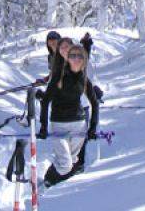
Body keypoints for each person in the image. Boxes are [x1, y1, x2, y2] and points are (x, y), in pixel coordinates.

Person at [37, 44, 99, 187]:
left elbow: (94, 103)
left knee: (72, 159)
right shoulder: (58, 76)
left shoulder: (84, 79)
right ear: (68, 59)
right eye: (72, 56)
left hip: (79, 125)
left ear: (84, 60)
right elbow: (45, 101)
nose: (76, 59)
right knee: (65, 165)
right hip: (59, 124)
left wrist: (92, 128)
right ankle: (48, 181)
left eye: (79, 56)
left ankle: (48, 183)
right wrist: (43, 127)